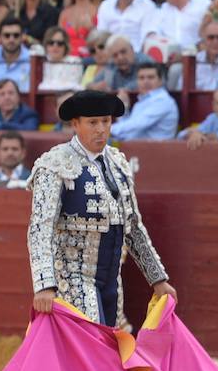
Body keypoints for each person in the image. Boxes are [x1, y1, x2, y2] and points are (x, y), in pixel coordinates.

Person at [23, 86, 174, 332]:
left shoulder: (118, 163)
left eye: (105, 121)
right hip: (72, 279)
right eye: (92, 122)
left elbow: (133, 227)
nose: (101, 129)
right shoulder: (54, 164)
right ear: (75, 124)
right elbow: (40, 229)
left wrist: (158, 280)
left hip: (111, 280)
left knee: (111, 348)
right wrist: (44, 285)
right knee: (90, 347)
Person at [110, 62, 178, 141]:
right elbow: (128, 131)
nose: (146, 81)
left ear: (160, 81)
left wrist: (106, 130)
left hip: (157, 151)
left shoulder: (164, 101)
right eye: (141, 78)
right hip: (138, 149)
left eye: (151, 77)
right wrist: (123, 108)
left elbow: (138, 124)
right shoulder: (141, 102)